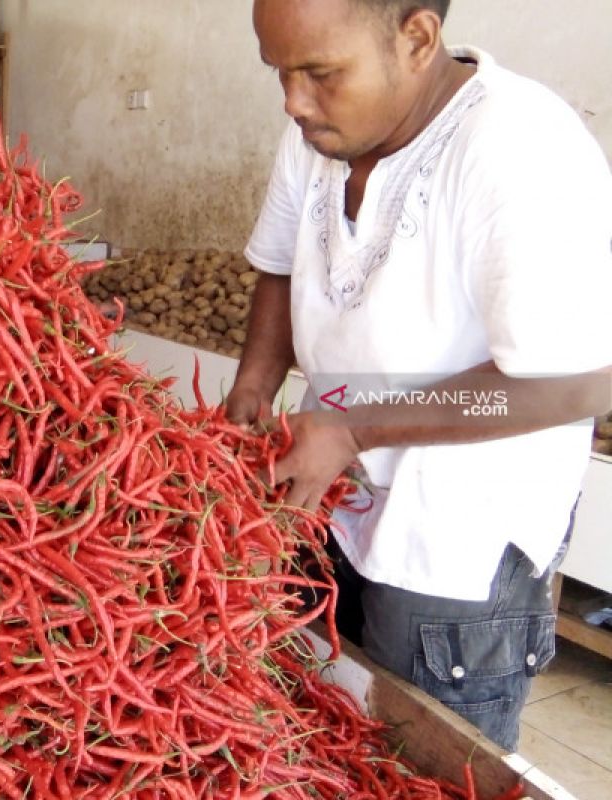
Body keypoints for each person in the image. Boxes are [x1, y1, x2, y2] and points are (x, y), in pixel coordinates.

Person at [226, 0, 612, 751]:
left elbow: (583, 384)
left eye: (319, 74)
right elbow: (275, 266)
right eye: (280, 74)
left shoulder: (519, 148)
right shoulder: (318, 134)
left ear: (417, 39)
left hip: (455, 544)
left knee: (419, 764)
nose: (293, 101)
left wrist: (353, 429)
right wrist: (252, 388)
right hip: (328, 499)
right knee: (302, 731)